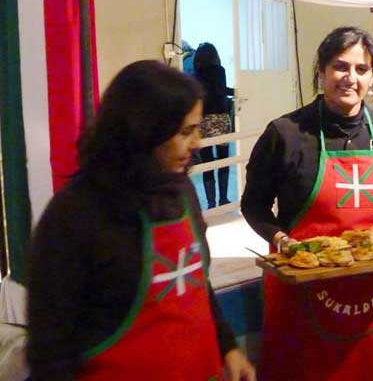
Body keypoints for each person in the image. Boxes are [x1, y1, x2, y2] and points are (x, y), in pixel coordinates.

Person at [27, 60, 256, 381]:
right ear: (144, 131)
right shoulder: (75, 214)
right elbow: (49, 346)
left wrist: (227, 346)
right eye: (185, 132)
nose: (197, 143)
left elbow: (196, 285)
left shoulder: (181, 190)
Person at [241, 26, 373, 381]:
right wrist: (281, 240)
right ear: (320, 70)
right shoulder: (285, 133)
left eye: (362, 69)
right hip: (303, 290)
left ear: (372, 77)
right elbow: (253, 205)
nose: (351, 78)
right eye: (340, 67)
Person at [193, 42, 235, 208]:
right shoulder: (220, 71)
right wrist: (237, 92)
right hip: (220, 119)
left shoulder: (195, 75)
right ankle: (223, 199)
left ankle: (211, 203)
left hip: (202, 121)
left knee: (207, 163)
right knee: (223, 159)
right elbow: (221, 91)